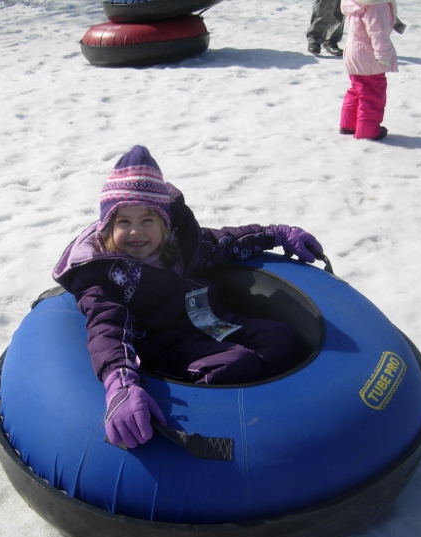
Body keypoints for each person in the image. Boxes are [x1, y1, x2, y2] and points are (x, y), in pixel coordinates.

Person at [53, 145, 323, 449]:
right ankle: (223, 417)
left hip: (210, 322)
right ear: (107, 227)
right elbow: (106, 326)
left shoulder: (180, 246)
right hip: (164, 348)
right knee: (237, 363)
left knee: (279, 336)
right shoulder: (101, 274)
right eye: (123, 222)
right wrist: (121, 383)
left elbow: (228, 241)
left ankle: (280, 407)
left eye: (147, 221)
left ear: (164, 225)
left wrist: (277, 234)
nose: (135, 232)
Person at [339, 0, 399, 140]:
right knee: (372, 93)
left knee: (358, 89)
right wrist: (383, 54)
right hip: (368, 52)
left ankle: (349, 125)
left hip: (353, 49)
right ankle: (368, 131)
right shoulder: (376, 4)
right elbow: (378, 31)